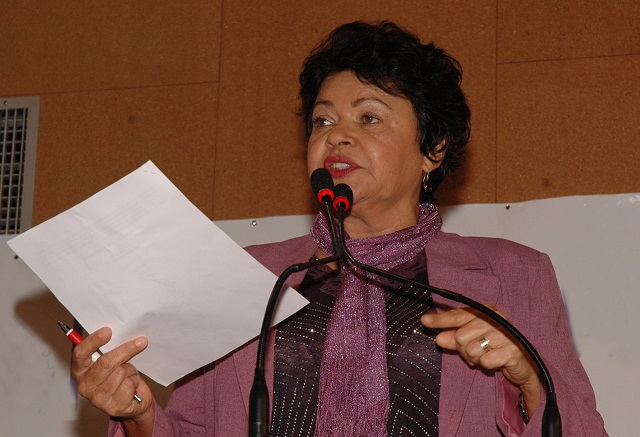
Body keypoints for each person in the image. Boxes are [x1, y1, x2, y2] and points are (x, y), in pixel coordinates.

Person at [71, 21, 607, 436]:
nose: (337, 136)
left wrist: (528, 376)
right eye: (323, 121)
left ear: (433, 148)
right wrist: (138, 416)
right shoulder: (246, 276)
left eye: (368, 118)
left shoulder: (514, 275)